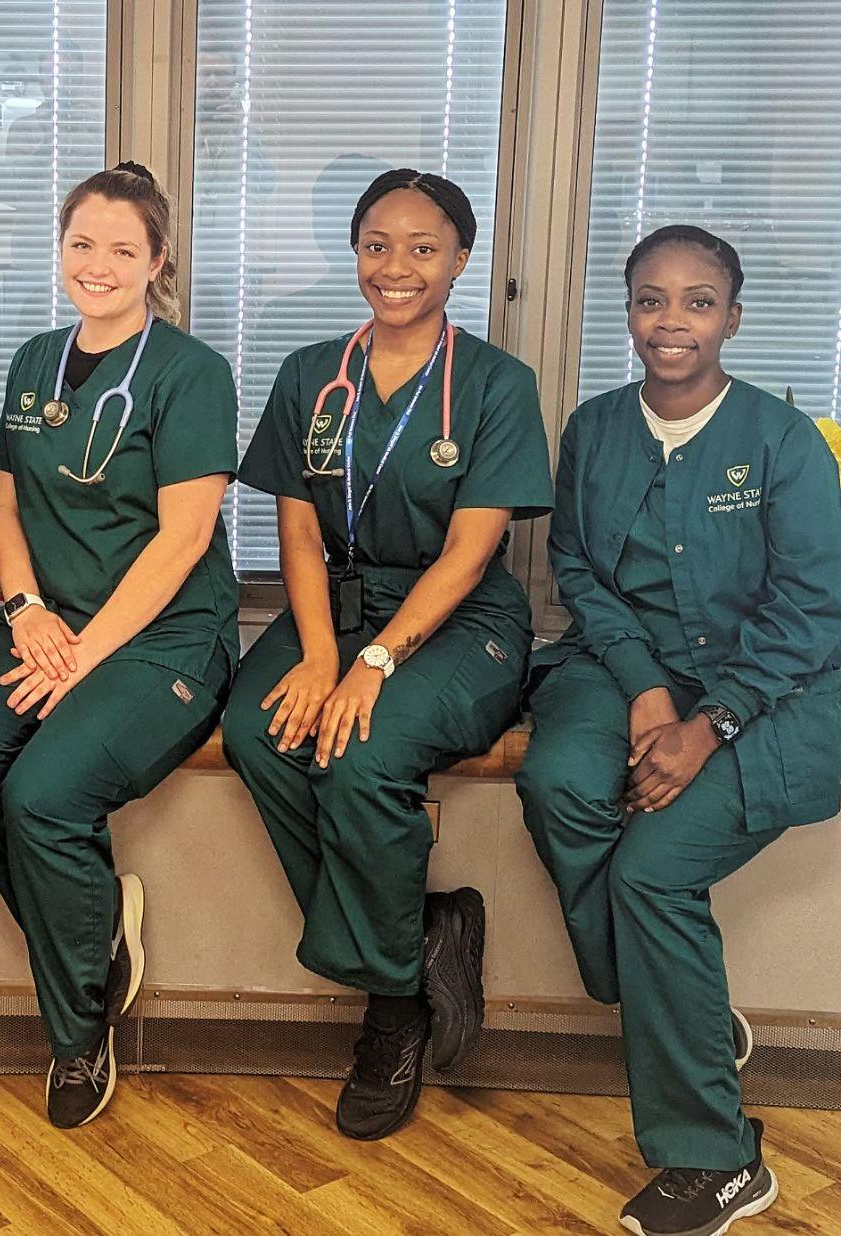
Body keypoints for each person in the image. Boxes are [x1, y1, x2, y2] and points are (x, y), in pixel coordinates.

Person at [515, 225, 841, 1236]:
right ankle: (687, 1016)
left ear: (731, 318)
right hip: (618, 664)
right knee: (556, 787)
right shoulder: (594, 427)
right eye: (650, 300)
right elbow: (575, 567)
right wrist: (642, 689)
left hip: (768, 690)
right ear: (627, 312)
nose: (672, 321)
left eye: (697, 302)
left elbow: (810, 612)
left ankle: (718, 1159)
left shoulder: (778, 440)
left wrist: (707, 720)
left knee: (650, 873)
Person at [220, 168, 552, 1140]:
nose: (394, 266)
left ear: (457, 258)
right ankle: (418, 938)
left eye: (420, 247)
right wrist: (323, 654)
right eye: (376, 244)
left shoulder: (494, 385)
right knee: (257, 729)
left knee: (361, 754)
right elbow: (295, 538)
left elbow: (470, 550)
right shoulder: (309, 374)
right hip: (338, 607)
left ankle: (391, 1012)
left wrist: (373, 665)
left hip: (459, 621)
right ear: (353, 252)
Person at [0, 162, 239, 1129]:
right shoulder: (31, 363)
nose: (98, 265)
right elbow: (3, 507)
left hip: (161, 638)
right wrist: (25, 612)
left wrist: (85, 653)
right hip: (47, 622)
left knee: (46, 792)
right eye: (81, 245)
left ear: (158, 261)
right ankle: (94, 935)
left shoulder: (192, 374)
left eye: (122, 249)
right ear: (61, 252)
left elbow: (182, 540)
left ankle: (76, 1033)